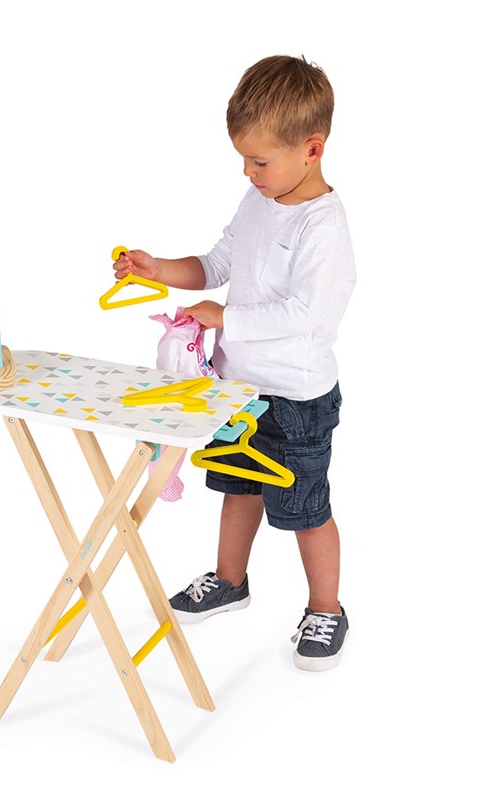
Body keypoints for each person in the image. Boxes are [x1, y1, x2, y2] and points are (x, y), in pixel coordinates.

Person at [112, 55, 356, 671]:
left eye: (259, 161)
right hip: (238, 388)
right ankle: (230, 580)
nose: (248, 172)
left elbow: (307, 314)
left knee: (305, 509)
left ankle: (325, 608)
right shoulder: (259, 199)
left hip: (297, 398)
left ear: (312, 149)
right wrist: (160, 270)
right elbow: (218, 262)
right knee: (237, 485)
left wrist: (227, 318)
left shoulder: (323, 226)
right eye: (244, 159)